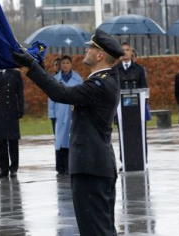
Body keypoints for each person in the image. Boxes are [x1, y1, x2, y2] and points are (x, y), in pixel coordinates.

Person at [14, 28, 123, 236]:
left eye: (91, 47)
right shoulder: (105, 79)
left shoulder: (99, 83)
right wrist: (38, 66)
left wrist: (31, 66)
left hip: (91, 168)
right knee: (100, 229)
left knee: (96, 231)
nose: (86, 49)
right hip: (94, 166)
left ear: (100, 55)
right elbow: (61, 89)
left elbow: (61, 93)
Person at [48, 55, 83, 175]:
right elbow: (51, 98)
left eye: (67, 63)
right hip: (59, 114)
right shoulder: (55, 79)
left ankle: (71, 165)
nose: (65, 65)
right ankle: (60, 166)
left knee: (71, 139)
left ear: (71, 64)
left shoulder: (78, 79)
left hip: (73, 113)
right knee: (59, 140)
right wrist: (52, 114)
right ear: (60, 65)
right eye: (63, 63)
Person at [49, 57, 62, 133]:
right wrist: (51, 114)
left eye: (59, 64)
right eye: (55, 65)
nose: (57, 66)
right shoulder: (51, 78)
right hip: (54, 111)